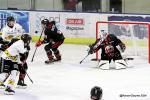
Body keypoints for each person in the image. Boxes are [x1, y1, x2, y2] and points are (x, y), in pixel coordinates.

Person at [0, 16, 30, 88]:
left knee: (23, 66)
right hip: (9, 50)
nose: (11, 23)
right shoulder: (4, 30)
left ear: (14, 21)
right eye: (9, 22)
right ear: (7, 22)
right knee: (7, 68)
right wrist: (3, 46)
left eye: (12, 22)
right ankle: (2, 81)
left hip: (18, 49)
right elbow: (2, 42)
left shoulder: (18, 27)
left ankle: (20, 81)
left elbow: (23, 37)